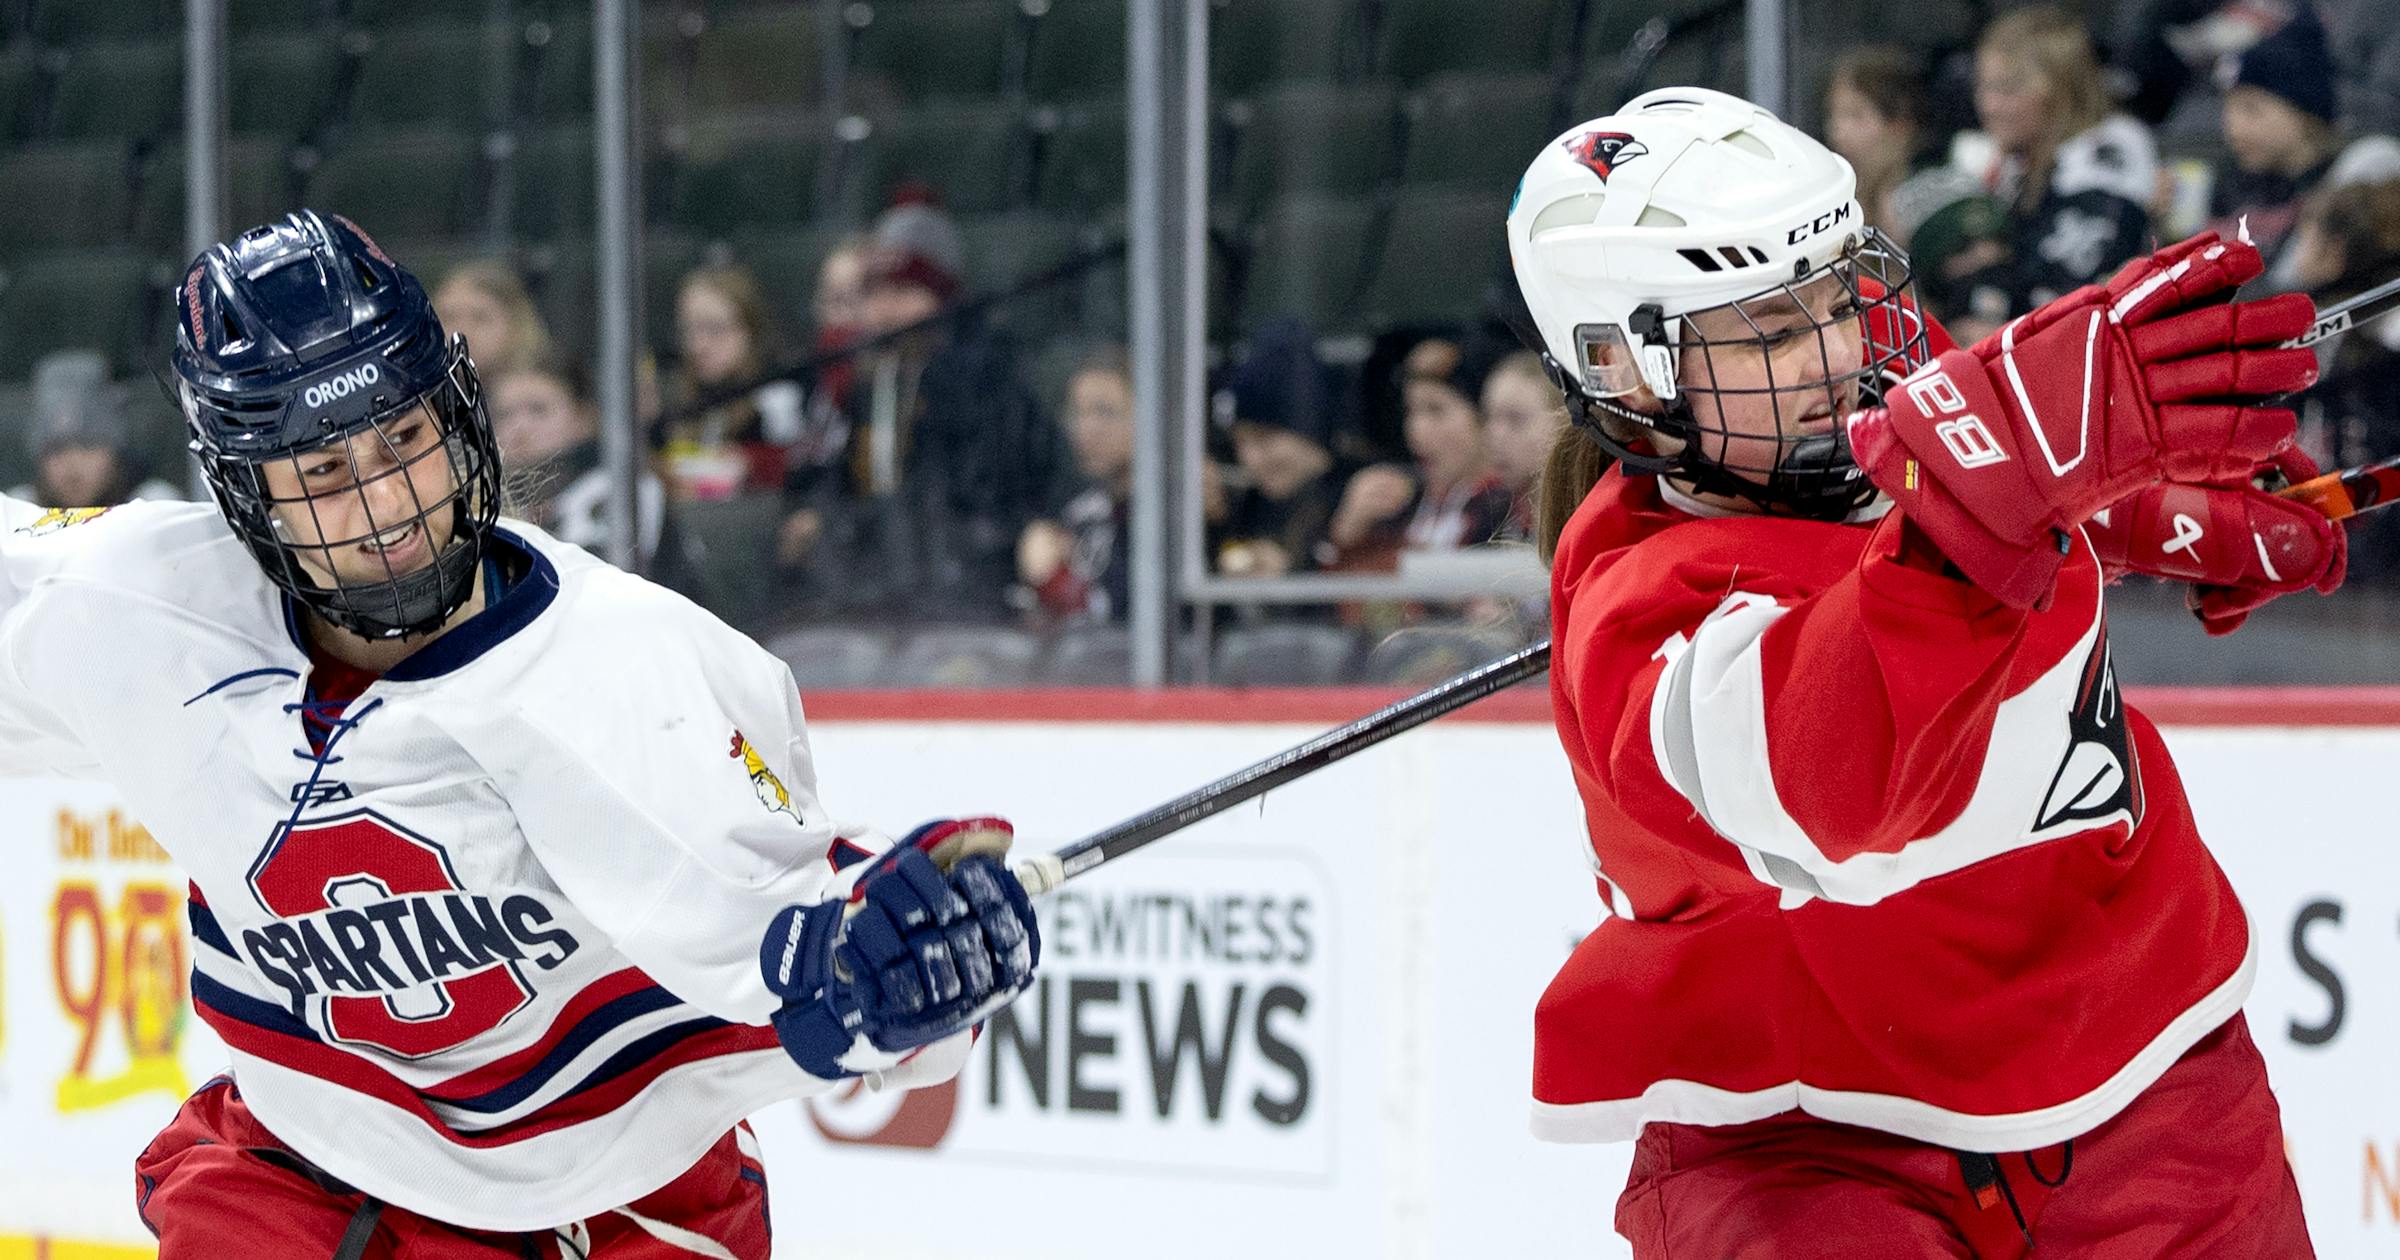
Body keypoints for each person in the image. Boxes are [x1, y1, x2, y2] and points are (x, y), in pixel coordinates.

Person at [7, 211, 1041, 1257]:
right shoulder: (140, 610)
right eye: (321, 472)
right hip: (308, 1178)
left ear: (455, 413)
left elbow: (811, 942)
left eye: (402, 437)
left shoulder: (633, 668)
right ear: (241, 493)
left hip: (616, 1205)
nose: (384, 503)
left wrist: (922, 964)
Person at [1510, 88, 2335, 1255]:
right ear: (1627, 373)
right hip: (1809, 1147)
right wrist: (1989, 499)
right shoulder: (1634, 611)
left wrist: (2159, 506)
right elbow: (1837, 785)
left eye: (1837, 297)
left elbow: (2022, 474)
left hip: (2146, 1064)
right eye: (1771, 330)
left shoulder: (1893, 396)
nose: (1836, 353)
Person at [790, 194, 1063, 622]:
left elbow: (991, 500)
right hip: (874, 589)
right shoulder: (865, 382)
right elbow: (845, 484)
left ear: (943, 297)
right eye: (875, 293)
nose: (884, 310)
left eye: (902, 290)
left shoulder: (986, 378)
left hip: (965, 596)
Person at [1964, 6, 2160, 336]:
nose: (1988, 106)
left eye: (2007, 89)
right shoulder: (2017, 161)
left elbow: (2065, 297)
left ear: (2060, 90)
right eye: (1984, 87)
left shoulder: (2111, 145)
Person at [2209, 10, 2400, 289]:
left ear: (2304, 114)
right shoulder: (2233, 179)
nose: (2233, 129)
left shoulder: (2360, 169)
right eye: (2229, 110)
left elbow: (2296, 283)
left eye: (2252, 110)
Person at [1823, 46, 2009, 325]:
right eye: (1834, 116)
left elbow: (1986, 262)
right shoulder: (1840, 199)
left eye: (1856, 116)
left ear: (1901, 124)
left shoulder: (1926, 187)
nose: (1838, 132)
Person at [488, 355, 697, 594]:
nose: (519, 428)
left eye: (539, 410)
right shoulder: (491, 504)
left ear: (584, 417)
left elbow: (594, 589)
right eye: (504, 414)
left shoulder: (624, 487)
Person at [1325, 337, 1514, 569]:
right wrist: (1348, 531)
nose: (1416, 431)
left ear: (1483, 418)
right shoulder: (1402, 503)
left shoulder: (1509, 511)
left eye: (1435, 410)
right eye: (1410, 411)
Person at [1212, 320, 1357, 579]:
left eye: (1264, 438)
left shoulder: (1359, 497)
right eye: (1239, 442)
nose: (1250, 459)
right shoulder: (1249, 507)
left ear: (1310, 431)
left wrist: (1290, 577)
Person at [657, 264, 803, 501]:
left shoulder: (776, 397)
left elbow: (799, 469)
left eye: (714, 329)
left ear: (750, 331)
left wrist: (753, 463)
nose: (698, 345)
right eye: (689, 330)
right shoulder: (684, 402)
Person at [1016, 346, 1135, 626]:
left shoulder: (1176, 519)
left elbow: (1125, 623)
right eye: (1077, 413)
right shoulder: (1081, 513)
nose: (1086, 429)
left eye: (1105, 412)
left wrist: (1052, 577)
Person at [9, 377, 182, 507]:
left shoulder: (152, 506)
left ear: (115, 451)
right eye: (56, 449)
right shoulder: (18, 513)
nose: (72, 464)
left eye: (88, 445)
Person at [1478, 350, 1565, 544]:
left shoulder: (1590, 524)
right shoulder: (1483, 520)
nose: (1495, 435)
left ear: (1563, 424)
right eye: (1489, 417)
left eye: (1515, 419)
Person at [430, 261, 552, 381]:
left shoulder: (536, 394)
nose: (461, 331)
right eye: (448, 317)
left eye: (480, 318)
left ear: (517, 327)